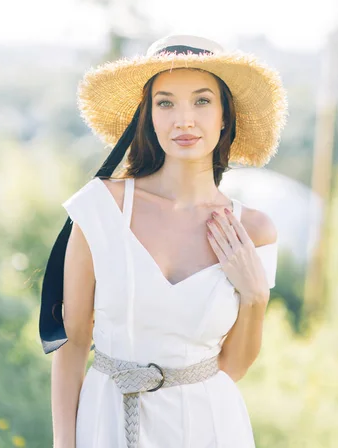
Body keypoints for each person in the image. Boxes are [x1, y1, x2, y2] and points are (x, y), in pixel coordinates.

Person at [39, 34, 288, 448]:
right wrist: (65, 442)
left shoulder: (254, 231)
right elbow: (74, 342)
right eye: (166, 102)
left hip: (208, 428)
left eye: (202, 101)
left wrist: (255, 296)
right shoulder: (102, 209)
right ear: (149, 116)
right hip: (108, 424)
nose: (183, 120)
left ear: (226, 115)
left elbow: (233, 367)